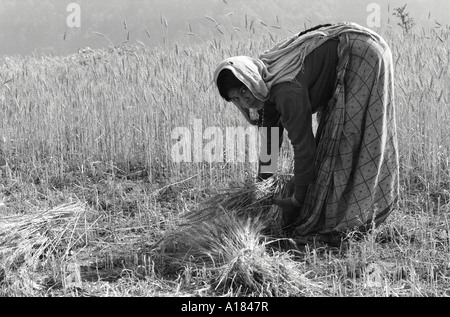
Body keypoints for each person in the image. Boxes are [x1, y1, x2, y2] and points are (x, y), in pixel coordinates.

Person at [213, 22, 399, 244]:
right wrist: (260, 190)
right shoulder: (264, 84)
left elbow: (304, 148)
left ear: (250, 78)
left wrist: (297, 199)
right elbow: (270, 141)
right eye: (236, 98)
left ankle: (350, 224)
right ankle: (333, 214)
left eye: (243, 90)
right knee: (332, 148)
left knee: (344, 144)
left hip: (362, 56)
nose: (244, 100)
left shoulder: (284, 91)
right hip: (352, 49)